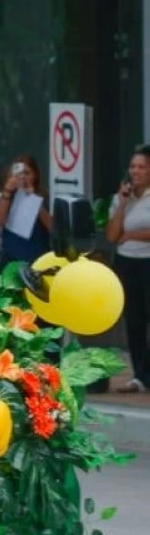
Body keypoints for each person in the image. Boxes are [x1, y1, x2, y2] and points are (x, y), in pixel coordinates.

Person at [105, 145, 150, 391]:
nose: (135, 171)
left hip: (148, 260)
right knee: (134, 319)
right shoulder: (121, 198)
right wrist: (122, 204)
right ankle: (140, 375)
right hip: (127, 262)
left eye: (141, 167)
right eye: (133, 167)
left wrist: (132, 234)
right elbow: (112, 236)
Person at [0, 153, 52, 264]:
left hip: (36, 256)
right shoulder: (8, 196)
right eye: (19, 173)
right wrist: (7, 190)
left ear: (35, 175)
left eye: (27, 173)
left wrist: (33, 199)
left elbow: (52, 226)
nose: (23, 177)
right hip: (11, 256)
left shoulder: (43, 196)